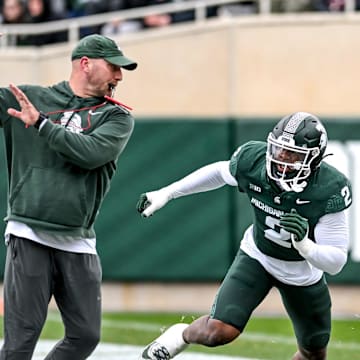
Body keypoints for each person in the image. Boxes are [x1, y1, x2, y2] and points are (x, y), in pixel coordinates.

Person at [137, 112, 352, 360]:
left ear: (313, 158)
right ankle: (180, 335)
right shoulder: (254, 161)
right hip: (258, 256)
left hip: (303, 273)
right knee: (217, 332)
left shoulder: (330, 188)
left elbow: (336, 262)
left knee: (313, 354)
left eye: (292, 154)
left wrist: (306, 246)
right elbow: (219, 172)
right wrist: (168, 193)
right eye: (279, 149)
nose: (281, 159)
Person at [0, 33, 137, 359]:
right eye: (114, 67)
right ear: (86, 64)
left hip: (77, 240)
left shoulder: (117, 117)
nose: (119, 76)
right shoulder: (29, 98)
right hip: (28, 231)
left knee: (85, 335)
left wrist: (42, 125)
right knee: (21, 338)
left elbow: (90, 153)